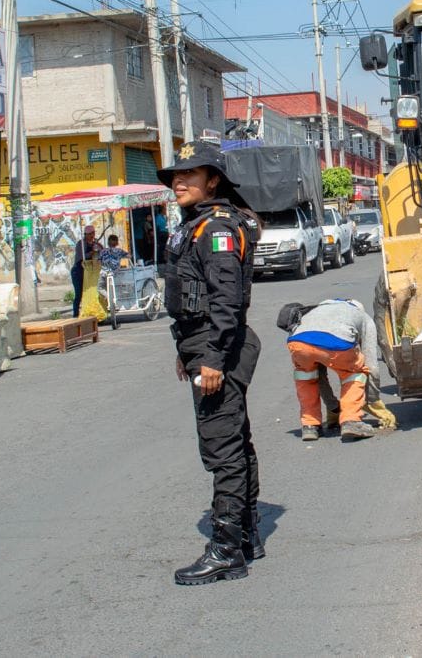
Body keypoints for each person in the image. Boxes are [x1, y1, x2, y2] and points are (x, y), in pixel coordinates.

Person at [158, 140, 263, 586]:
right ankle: (246, 537)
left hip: (222, 348)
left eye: (190, 175)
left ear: (213, 180)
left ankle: (225, 551)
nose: (179, 182)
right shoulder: (197, 225)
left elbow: (227, 301)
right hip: (207, 347)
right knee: (235, 441)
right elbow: (191, 297)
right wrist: (189, 354)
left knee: (222, 449)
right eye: (175, 177)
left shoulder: (217, 228)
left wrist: (212, 358)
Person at [279, 298, 385, 442]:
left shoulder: (314, 311)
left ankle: (310, 426)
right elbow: (372, 366)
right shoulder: (363, 317)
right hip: (338, 342)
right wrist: (373, 400)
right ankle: (351, 421)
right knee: (354, 374)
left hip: (298, 343)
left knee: (307, 378)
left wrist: (333, 407)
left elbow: (320, 376)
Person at [70, 225, 103, 318]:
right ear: (85, 234)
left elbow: (102, 250)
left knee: (91, 293)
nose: (92, 235)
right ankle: (75, 315)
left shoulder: (94, 243)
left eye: (93, 233)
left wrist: (98, 246)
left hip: (89, 273)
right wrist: (92, 252)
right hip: (78, 272)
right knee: (79, 293)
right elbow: (81, 256)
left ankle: (92, 312)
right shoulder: (81, 244)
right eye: (90, 234)